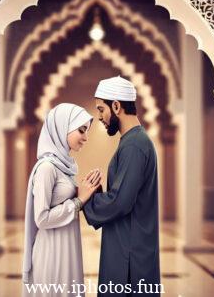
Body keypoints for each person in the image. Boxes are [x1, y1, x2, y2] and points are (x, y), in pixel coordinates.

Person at [80, 76, 161, 296]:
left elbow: (121, 201)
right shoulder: (132, 141)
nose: (100, 117)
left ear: (116, 106)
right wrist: (96, 191)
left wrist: (85, 198)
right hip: (130, 245)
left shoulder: (134, 145)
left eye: (101, 109)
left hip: (130, 253)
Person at [22, 103, 102, 297]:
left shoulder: (64, 167)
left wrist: (82, 190)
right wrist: (79, 200)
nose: (85, 138)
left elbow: (61, 198)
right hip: (52, 251)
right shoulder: (46, 168)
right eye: (81, 130)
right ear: (62, 127)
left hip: (67, 246)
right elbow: (41, 218)